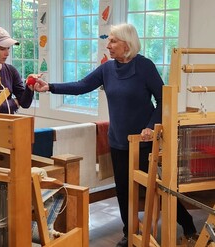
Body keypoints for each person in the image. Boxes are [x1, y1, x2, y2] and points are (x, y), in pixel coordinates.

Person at [33, 23, 197, 247]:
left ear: (127, 44)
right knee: (123, 190)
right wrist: (49, 87)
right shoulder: (107, 69)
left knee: (159, 188)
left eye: (112, 41)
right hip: (119, 141)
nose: (108, 45)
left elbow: (162, 101)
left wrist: (150, 126)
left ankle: (188, 225)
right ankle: (129, 231)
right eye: (108, 40)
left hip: (145, 142)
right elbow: (82, 85)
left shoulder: (145, 66)